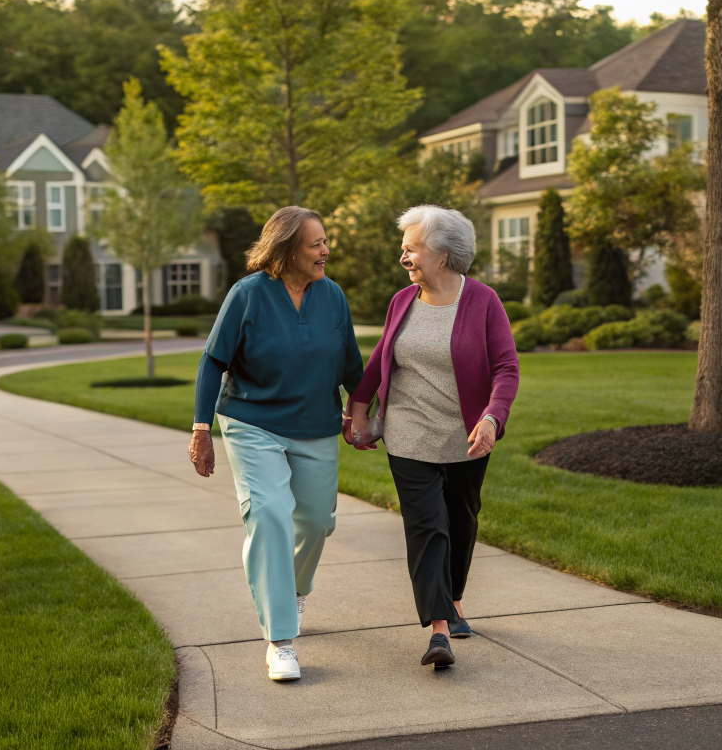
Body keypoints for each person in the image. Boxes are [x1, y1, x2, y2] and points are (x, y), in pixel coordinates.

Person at [188, 206, 363, 682]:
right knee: (267, 514)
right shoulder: (247, 295)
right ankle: (280, 640)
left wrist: (363, 409)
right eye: (316, 243)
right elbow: (212, 362)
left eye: (325, 241)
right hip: (252, 421)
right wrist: (202, 429)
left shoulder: (333, 297)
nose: (326, 250)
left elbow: (351, 365)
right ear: (286, 249)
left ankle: (295, 588)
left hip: (316, 424)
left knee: (315, 522)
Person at [346, 204, 519, 669]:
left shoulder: (482, 300)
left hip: (466, 436)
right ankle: (439, 626)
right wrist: (359, 411)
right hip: (409, 433)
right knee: (427, 527)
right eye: (403, 248)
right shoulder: (402, 301)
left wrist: (491, 419)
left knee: (462, 520)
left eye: (412, 248)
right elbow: (382, 358)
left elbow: (506, 368)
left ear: (442, 255)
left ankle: (454, 597)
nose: (404, 257)